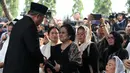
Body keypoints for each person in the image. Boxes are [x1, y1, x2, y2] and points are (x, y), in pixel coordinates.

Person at [3, 2, 48, 73]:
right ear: (38, 16)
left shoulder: (18, 23)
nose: (41, 22)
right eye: (42, 19)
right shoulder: (31, 26)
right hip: (23, 68)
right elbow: (33, 49)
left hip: (10, 67)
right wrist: (42, 59)